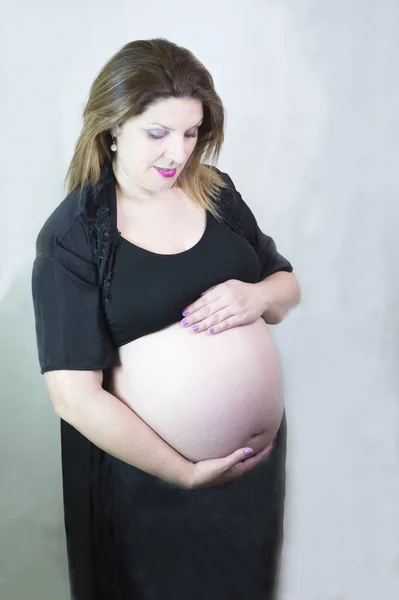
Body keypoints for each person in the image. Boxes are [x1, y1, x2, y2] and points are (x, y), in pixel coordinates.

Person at [31, 38, 300, 600]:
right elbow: (72, 397)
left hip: (251, 484)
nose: (177, 153)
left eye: (191, 132)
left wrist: (255, 297)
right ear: (111, 128)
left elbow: (285, 287)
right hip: (147, 487)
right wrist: (184, 472)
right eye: (157, 133)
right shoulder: (76, 235)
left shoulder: (217, 194)